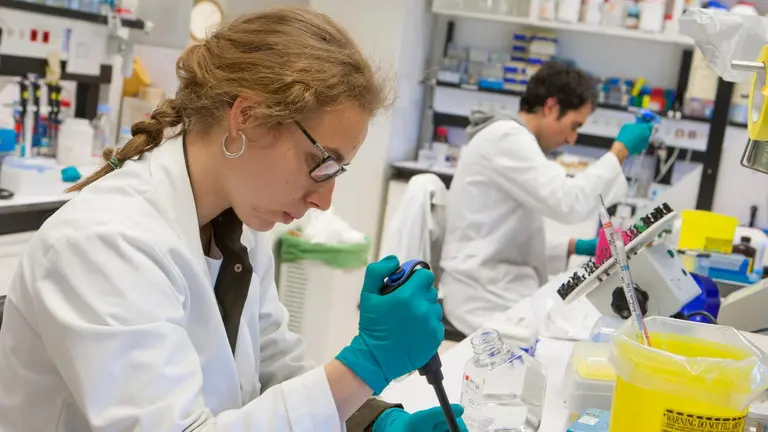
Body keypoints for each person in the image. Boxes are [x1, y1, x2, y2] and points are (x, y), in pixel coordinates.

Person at [0, 8, 468, 432]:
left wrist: (372, 421)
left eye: (337, 171)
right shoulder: (103, 243)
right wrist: (366, 365)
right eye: (321, 162)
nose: (325, 199)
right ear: (248, 117)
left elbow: (273, 367)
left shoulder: (232, 221)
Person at [440, 62, 653, 337]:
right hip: (485, 298)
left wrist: (575, 246)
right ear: (551, 107)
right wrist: (619, 151)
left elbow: (501, 234)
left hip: (495, 287)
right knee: (576, 341)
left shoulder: (512, 140)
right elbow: (570, 203)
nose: (572, 139)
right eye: (573, 125)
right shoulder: (506, 138)